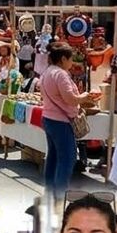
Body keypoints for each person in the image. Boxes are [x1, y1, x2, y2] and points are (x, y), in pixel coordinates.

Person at [41, 42, 101, 194]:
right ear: (63, 59)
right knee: (67, 158)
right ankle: (60, 195)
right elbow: (71, 99)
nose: (72, 62)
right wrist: (85, 96)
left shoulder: (47, 72)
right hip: (60, 121)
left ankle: (50, 192)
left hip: (48, 118)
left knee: (53, 156)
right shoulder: (60, 74)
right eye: (70, 58)